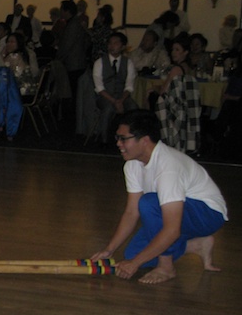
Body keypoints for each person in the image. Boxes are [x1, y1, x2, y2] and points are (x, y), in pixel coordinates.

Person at [91, 109, 227, 284]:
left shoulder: (168, 167)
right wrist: (109, 250)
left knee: (148, 204)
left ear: (145, 140)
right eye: (117, 138)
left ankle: (166, 267)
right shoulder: (132, 164)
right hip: (178, 214)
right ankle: (196, 245)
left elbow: (172, 229)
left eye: (123, 138)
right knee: (132, 254)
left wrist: (134, 264)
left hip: (208, 215)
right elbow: (131, 213)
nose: (118, 143)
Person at [155, 34, 201, 154]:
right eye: (172, 49)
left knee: (153, 98)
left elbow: (164, 91)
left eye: (177, 50)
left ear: (185, 52)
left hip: (174, 109)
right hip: (186, 110)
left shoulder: (177, 69)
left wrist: (155, 89)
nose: (173, 53)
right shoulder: (191, 68)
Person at [92, 31, 137, 143]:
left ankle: (133, 138)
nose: (112, 46)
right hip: (105, 97)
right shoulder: (99, 62)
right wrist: (114, 101)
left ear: (122, 46)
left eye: (116, 43)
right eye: (110, 43)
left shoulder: (128, 63)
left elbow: (129, 85)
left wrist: (121, 100)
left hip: (123, 96)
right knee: (108, 109)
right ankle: (104, 139)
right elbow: (99, 87)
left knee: (134, 108)